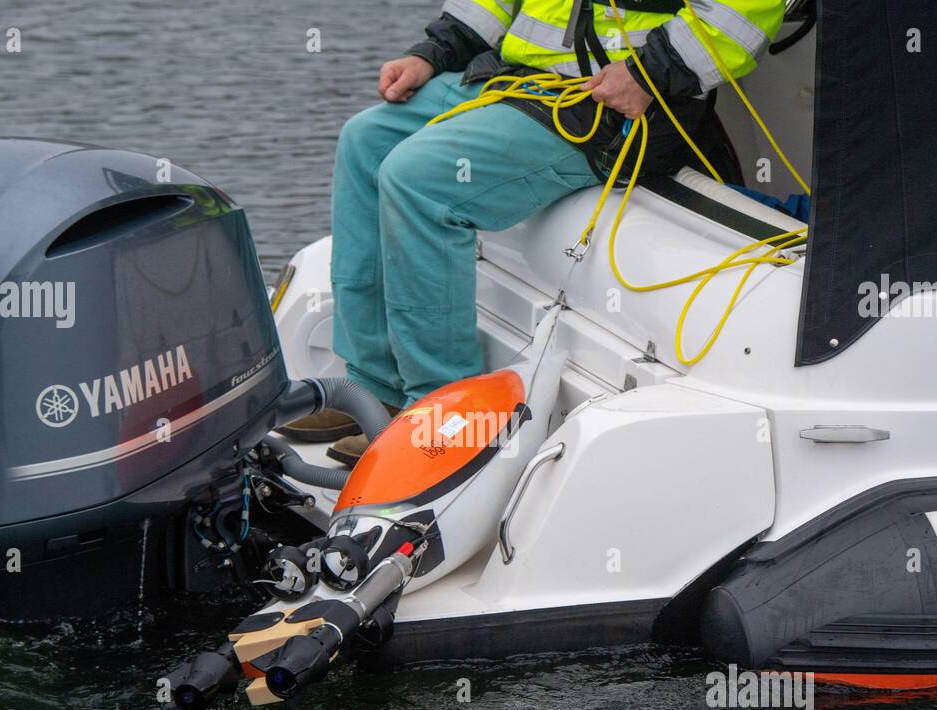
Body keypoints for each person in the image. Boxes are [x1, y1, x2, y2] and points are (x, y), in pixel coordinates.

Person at [281, 0, 786, 463]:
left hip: (612, 104)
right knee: (364, 141)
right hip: (519, 81)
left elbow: (745, 12)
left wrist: (649, 73)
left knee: (420, 180)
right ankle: (375, 391)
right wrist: (436, 52)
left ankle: (445, 418)